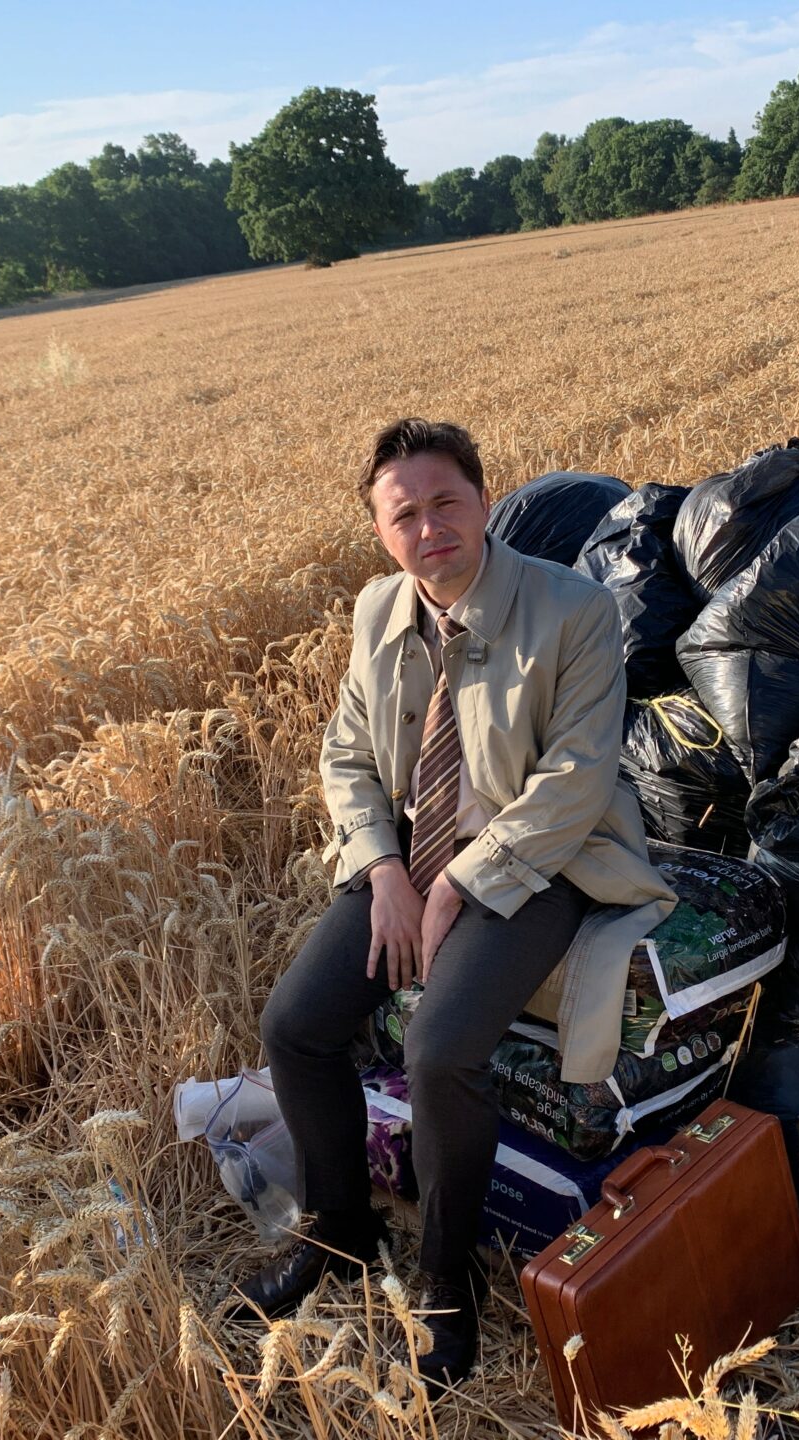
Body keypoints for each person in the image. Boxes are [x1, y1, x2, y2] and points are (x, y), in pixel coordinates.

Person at [237, 418, 673, 1391]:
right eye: (405, 515)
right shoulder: (377, 610)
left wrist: (462, 884)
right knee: (296, 1027)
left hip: (547, 859)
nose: (429, 529)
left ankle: (445, 1277)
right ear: (380, 531)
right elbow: (348, 755)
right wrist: (385, 871)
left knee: (439, 1050)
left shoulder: (572, 609)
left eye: (446, 503)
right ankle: (338, 1232)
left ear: (484, 500)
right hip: (412, 854)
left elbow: (577, 778)